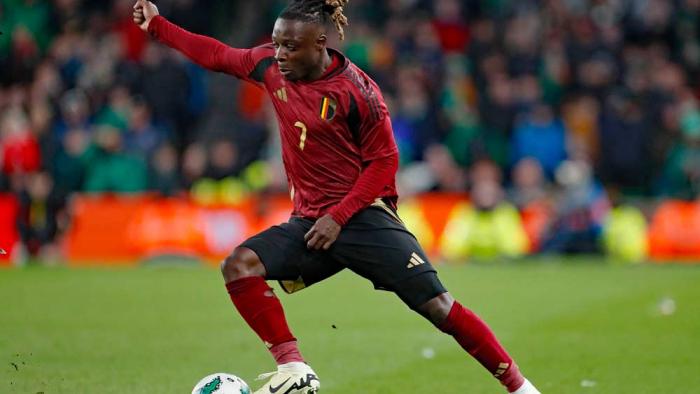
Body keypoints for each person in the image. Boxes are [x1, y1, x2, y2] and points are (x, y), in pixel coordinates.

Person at [133, 1, 540, 393]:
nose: (281, 54)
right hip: (311, 222)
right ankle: (294, 367)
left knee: (439, 307)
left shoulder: (357, 91)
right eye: (277, 44)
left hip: (364, 218)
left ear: (320, 44)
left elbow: (384, 163)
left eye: (291, 47)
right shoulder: (270, 66)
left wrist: (340, 216)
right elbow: (218, 54)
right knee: (240, 266)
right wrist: (157, 26)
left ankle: (519, 387)